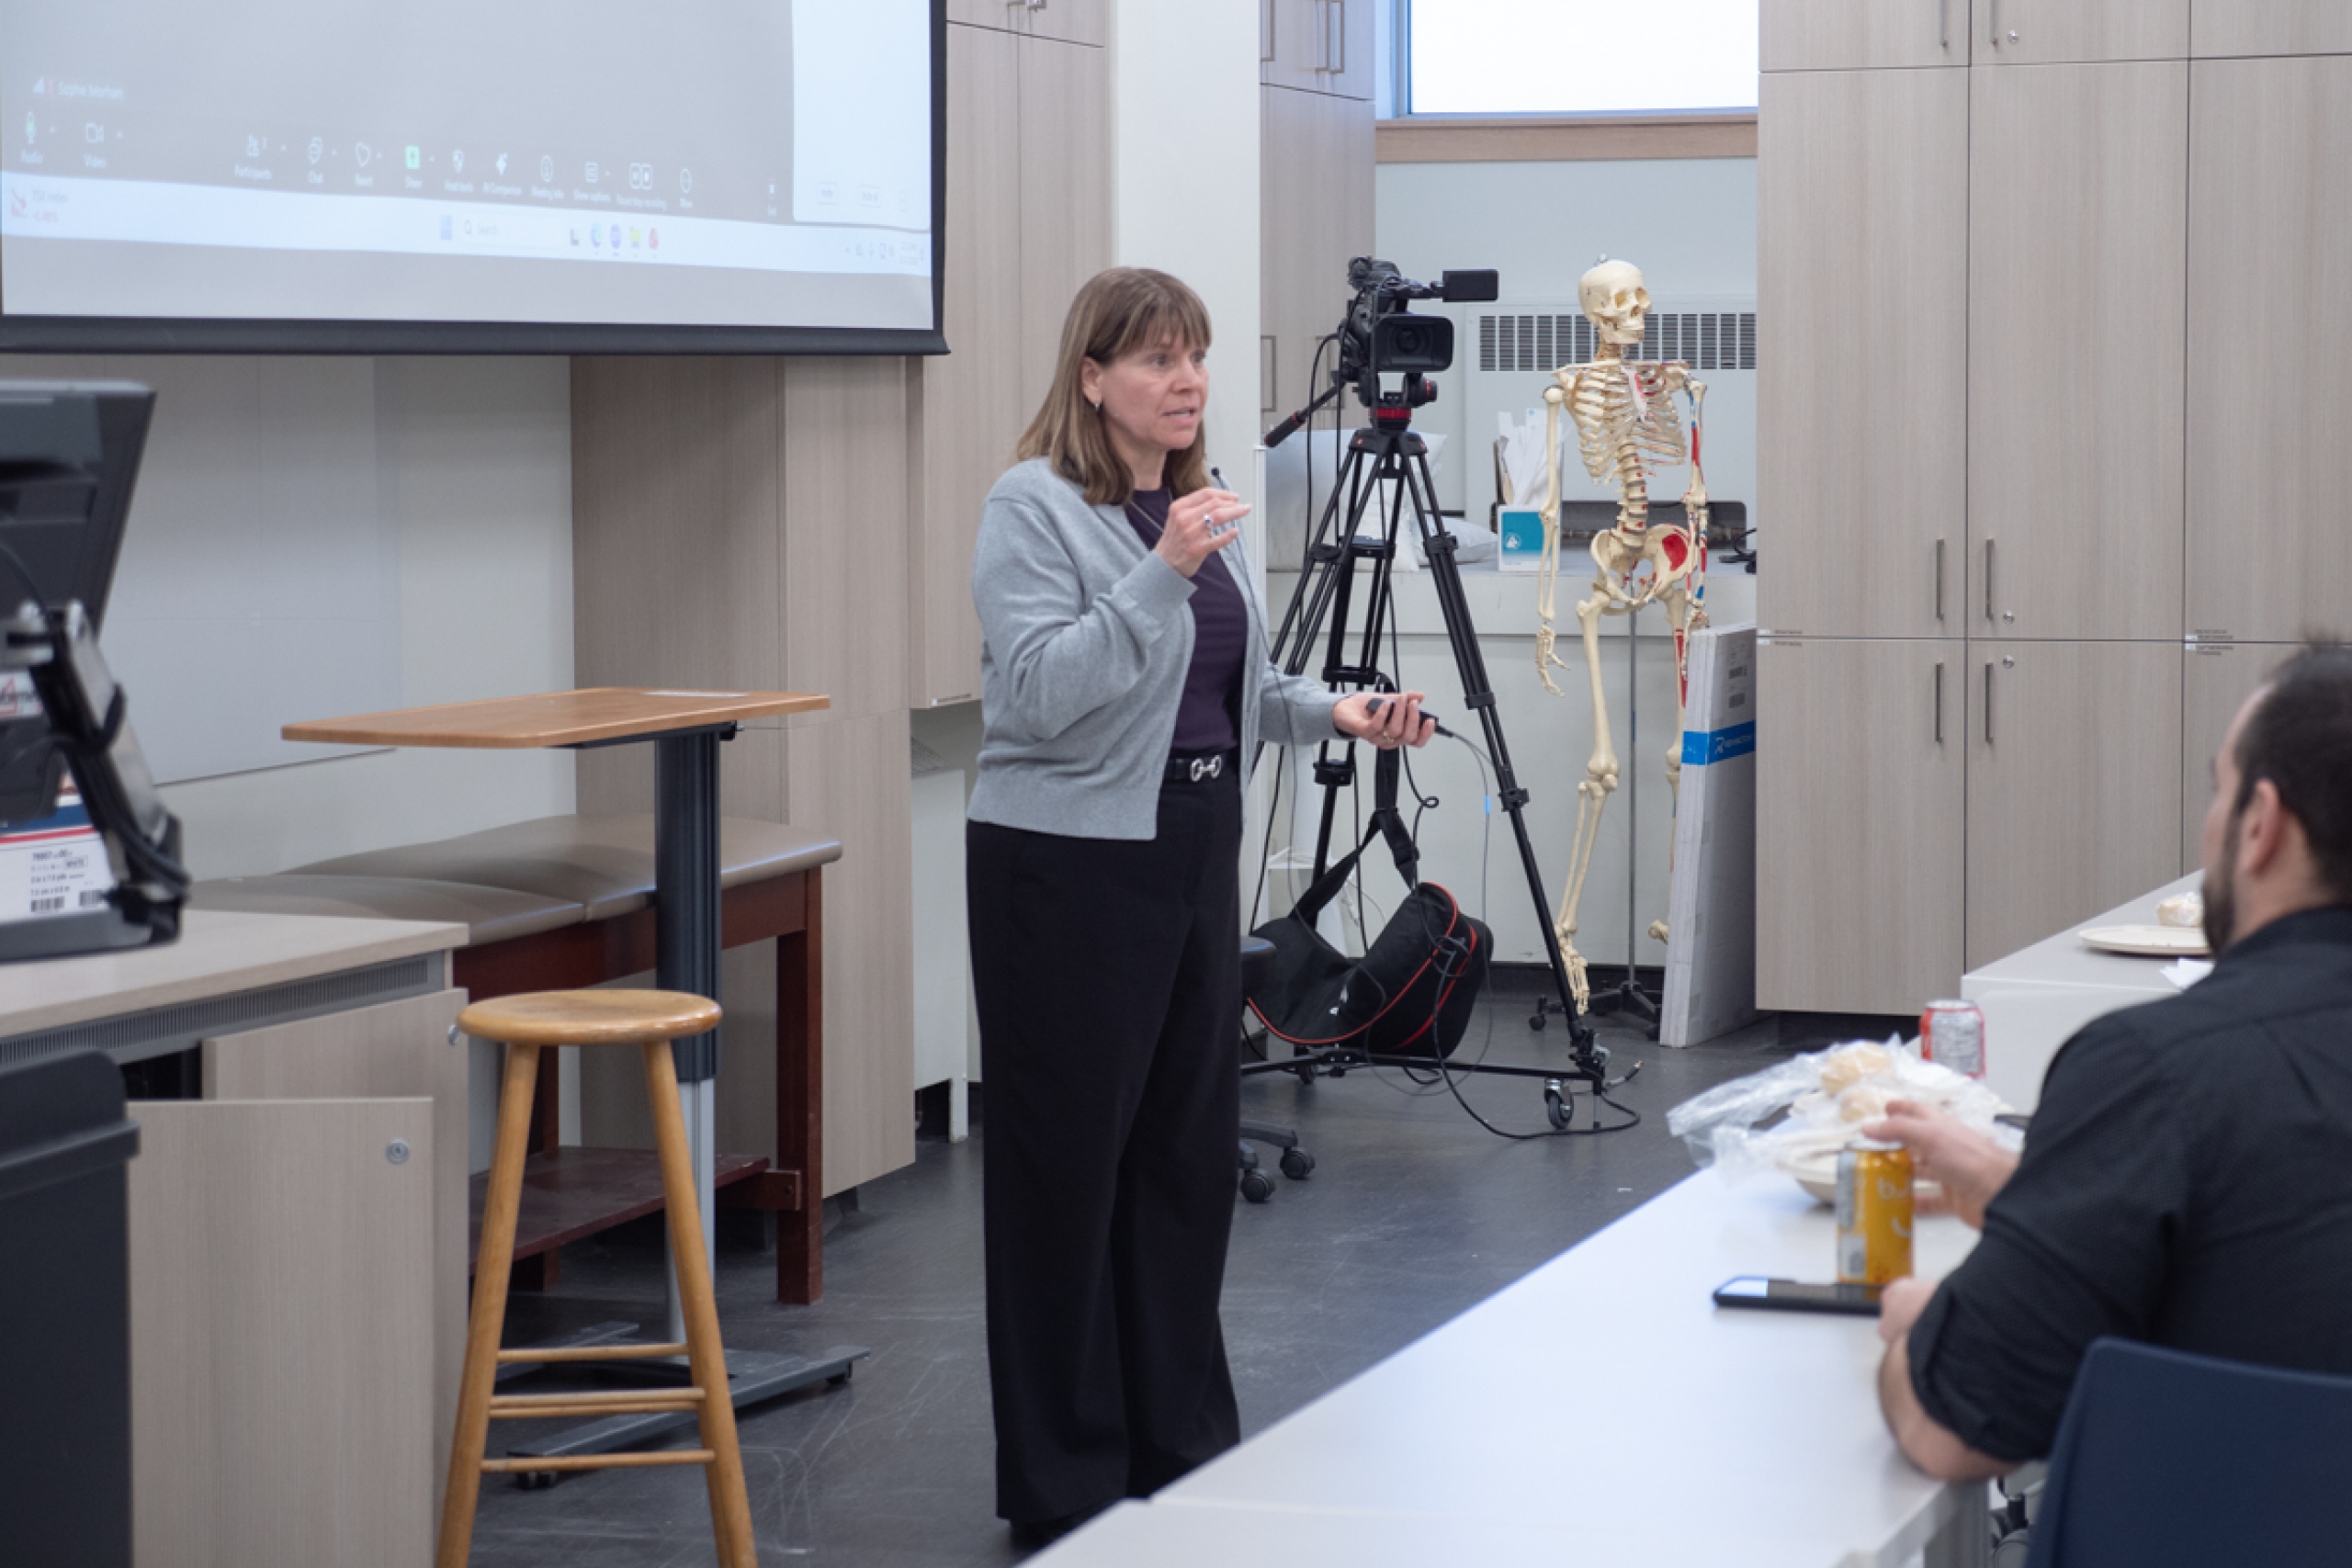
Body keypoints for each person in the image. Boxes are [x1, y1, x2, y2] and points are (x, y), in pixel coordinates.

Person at [964, 266, 1436, 1544]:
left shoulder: (1194, 501)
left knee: (1181, 1155)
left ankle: (1174, 1444)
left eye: (1196, 356)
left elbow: (1237, 687)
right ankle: (1065, 1474)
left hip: (1190, 840)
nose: (1188, 381)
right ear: (1092, 379)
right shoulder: (1034, 505)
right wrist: (1162, 570)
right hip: (1065, 861)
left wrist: (1337, 709)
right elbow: (1037, 694)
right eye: (1158, 359)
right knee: (1068, 1167)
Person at [1866, 640, 2352, 1480]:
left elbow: (1954, 1431)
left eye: (2220, 789)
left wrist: (1922, 1325)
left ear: (2261, 824)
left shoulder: (2157, 1072)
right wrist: (2043, 1195)